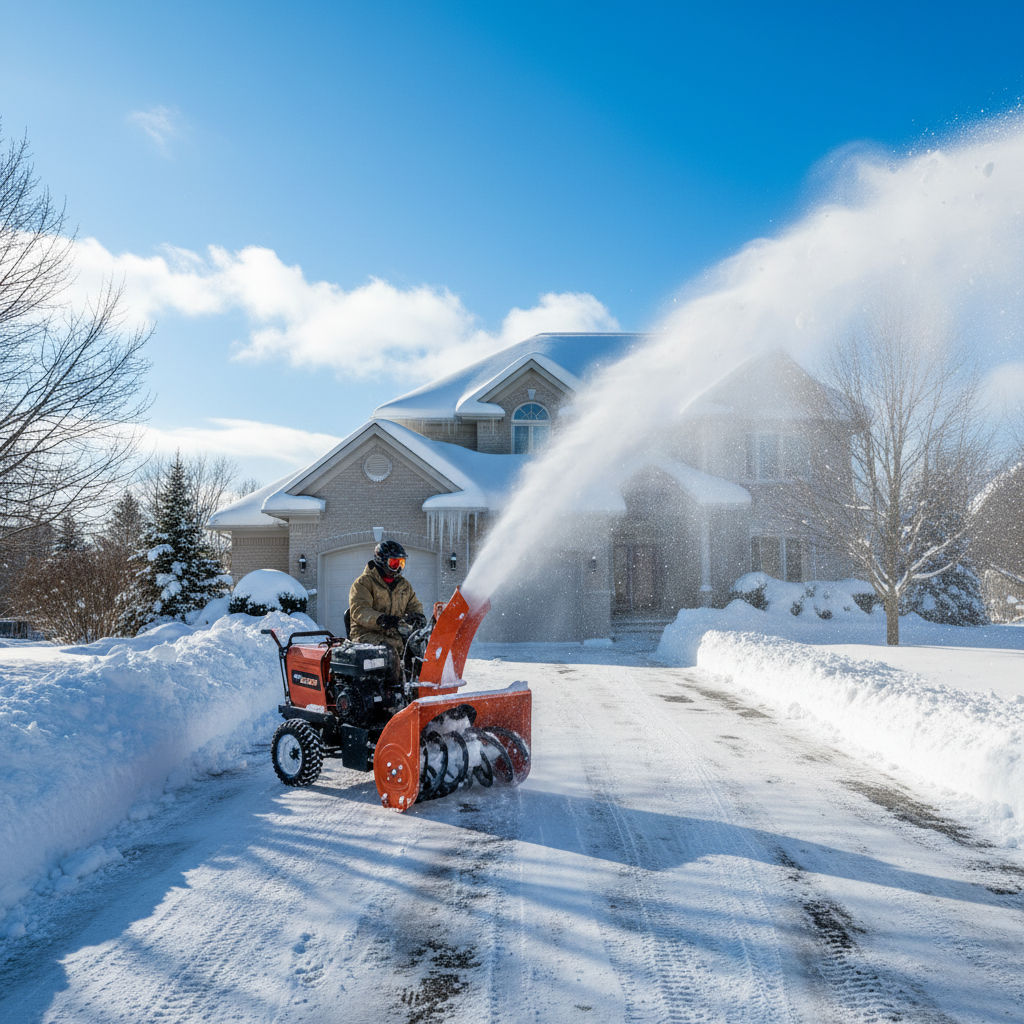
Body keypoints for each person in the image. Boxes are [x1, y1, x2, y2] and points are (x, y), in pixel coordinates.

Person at [348, 539, 426, 681]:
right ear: (382, 561)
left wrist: (417, 616)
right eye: (394, 563)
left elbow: (414, 604)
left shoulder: (403, 585)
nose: (399, 568)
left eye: (401, 563)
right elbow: (360, 610)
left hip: (395, 635)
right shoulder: (363, 583)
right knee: (389, 652)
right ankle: (395, 694)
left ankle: (421, 689)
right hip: (366, 635)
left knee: (421, 653)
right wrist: (381, 619)